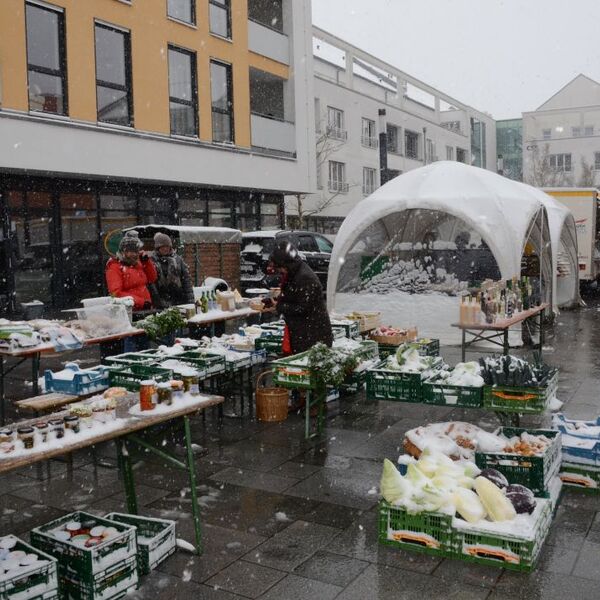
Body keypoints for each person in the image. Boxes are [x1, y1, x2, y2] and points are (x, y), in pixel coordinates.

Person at [269, 240, 333, 354]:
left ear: (285, 264)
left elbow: (302, 308)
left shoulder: (304, 278)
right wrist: (278, 301)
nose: (278, 271)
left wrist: (280, 306)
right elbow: (292, 296)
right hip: (303, 333)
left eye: (279, 267)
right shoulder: (294, 272)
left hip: (312, 335)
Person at [105, 230, 157, 311]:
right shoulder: (114, 267)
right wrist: (141, 302)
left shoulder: (137, 263)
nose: (134, 254)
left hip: (144, 309)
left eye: (136, 251)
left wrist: (147, 262)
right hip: (129, 311)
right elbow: (116, 293)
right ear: (123, 251)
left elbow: (152, 278)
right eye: (130, 251)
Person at [150, 232, 194, 308]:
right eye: (162, 246)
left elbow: (186, 281)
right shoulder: (152, 261)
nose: (165, 248)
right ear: (157, 248)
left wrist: (190, 300)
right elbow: (151, 284)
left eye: (167, 246)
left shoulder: (178, 260)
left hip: (179, 299)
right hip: (160, 301)